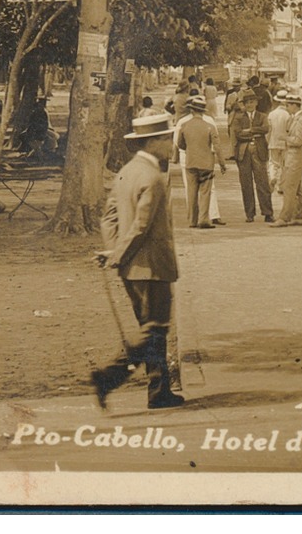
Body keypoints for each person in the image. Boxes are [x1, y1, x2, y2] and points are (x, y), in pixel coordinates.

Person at [91, 111, 185, 411]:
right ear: (153, 142)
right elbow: (142, 227)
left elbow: (110, 217)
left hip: (132, 268)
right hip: (153, 266)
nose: (171, 143)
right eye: (167, 138)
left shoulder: (125, 172)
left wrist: (114, 252)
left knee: (151, 329)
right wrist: (118, 256)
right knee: (156, 328)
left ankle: (159, 392)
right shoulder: (153, 177)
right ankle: (107, 376)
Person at [174, 95, 223, 229]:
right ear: (203, 111)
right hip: (206, 163)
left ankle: (192, 220)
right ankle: (203, 220)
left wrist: (190, 149)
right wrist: (222, 164)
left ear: (191, 110)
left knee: (191, 192)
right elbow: (217, 146)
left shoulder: (184, 125)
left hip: (190, 162)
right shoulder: (209, 125)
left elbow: (180, 144)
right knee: (205, 192)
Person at [228, 89, 274, 223]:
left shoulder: (262, 116)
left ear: (256, 103)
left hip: (259, 152)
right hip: (243, 153)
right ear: (244, 104)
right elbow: (237, 134)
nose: (250, 105)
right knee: (246, 184)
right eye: (247, 102)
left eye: (252, 102)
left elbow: (265, 128)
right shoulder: (238, 118)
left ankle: (268, 212)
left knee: (263, 183)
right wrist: (253, 133)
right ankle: (249, 213)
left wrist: (249, 131)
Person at [272, 89, 302, 227]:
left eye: (288, 105)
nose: (287, 108)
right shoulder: (296, 118)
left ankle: (284, 217)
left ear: (294, 105)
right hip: (293, 157)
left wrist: (285, 138)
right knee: (297, 188)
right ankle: (297, 215)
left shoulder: (300, 120)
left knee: (289, 187)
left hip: (294, 157)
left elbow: (300, 140)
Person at [265, 92, 291, 193]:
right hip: (285, 143)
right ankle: (281, 186)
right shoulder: (288, 115)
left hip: (273, 141)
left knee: (273, 163)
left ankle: (272, 177)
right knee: (284, 165)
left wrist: (267, 141)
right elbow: (289, 130)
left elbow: (269, 129)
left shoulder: (272, 114)